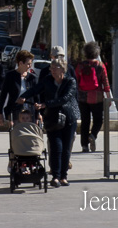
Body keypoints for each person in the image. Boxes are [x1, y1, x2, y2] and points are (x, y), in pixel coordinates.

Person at [38, 59, 79, 188]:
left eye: (55, 67)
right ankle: (55, 177)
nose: (52, 70)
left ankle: (63, 176)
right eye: (51, 68)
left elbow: (66, 98)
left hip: (69, 118)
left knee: (66, 148)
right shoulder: (48, 80)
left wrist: (46, 104)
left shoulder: (70, 81)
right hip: (52, 118)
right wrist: (23, 97)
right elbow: (36, 89)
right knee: (56, 147)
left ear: (63, 69)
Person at [75, 41, 111, 152]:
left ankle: (84, 146)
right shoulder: (100, 66)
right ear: (96, 53)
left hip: (83, 98)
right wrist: (108, 96)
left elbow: (76, 81)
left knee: (85, 121)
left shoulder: (80, 66)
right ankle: (93, 135)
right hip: (97, 97)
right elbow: (105, 82)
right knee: (98, 120)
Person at [0, 49, 35, 126]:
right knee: (17, 134)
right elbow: (3, 95)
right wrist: (0, 113)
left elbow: (37, 97)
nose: (30, 66)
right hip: (14, 111)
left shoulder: (32, 78)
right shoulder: (10, 76)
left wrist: (39, 114)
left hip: (30, 112)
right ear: (20, 63)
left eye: (30, 64)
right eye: (28, 64)